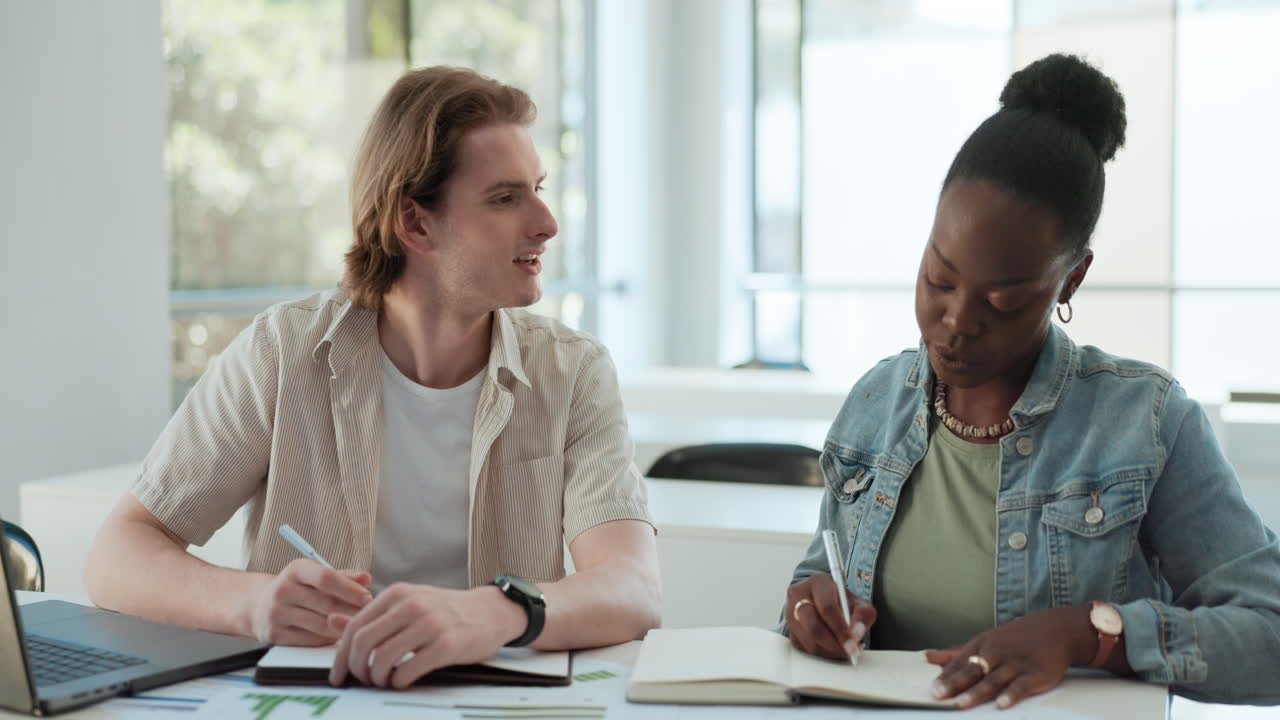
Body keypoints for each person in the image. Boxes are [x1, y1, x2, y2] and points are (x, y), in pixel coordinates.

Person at [85, 66, 661, 689]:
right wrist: (253, 603)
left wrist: (492, 613)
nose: (546, 222)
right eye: (505, 198)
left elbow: (632, 589)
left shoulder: (572, 371)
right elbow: (118, 554)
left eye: (538, 189)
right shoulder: (283, 353)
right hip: (319, 697)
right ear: (414, 224)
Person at [783, 53, 1280, 708]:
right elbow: (824, 579)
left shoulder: (1148, 421)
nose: (956, 320)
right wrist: (806, 610)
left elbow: (1268, 638)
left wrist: (1088, 634)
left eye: (1004, 301)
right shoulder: (876, 403)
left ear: (1070, 278)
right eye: (938, 277)